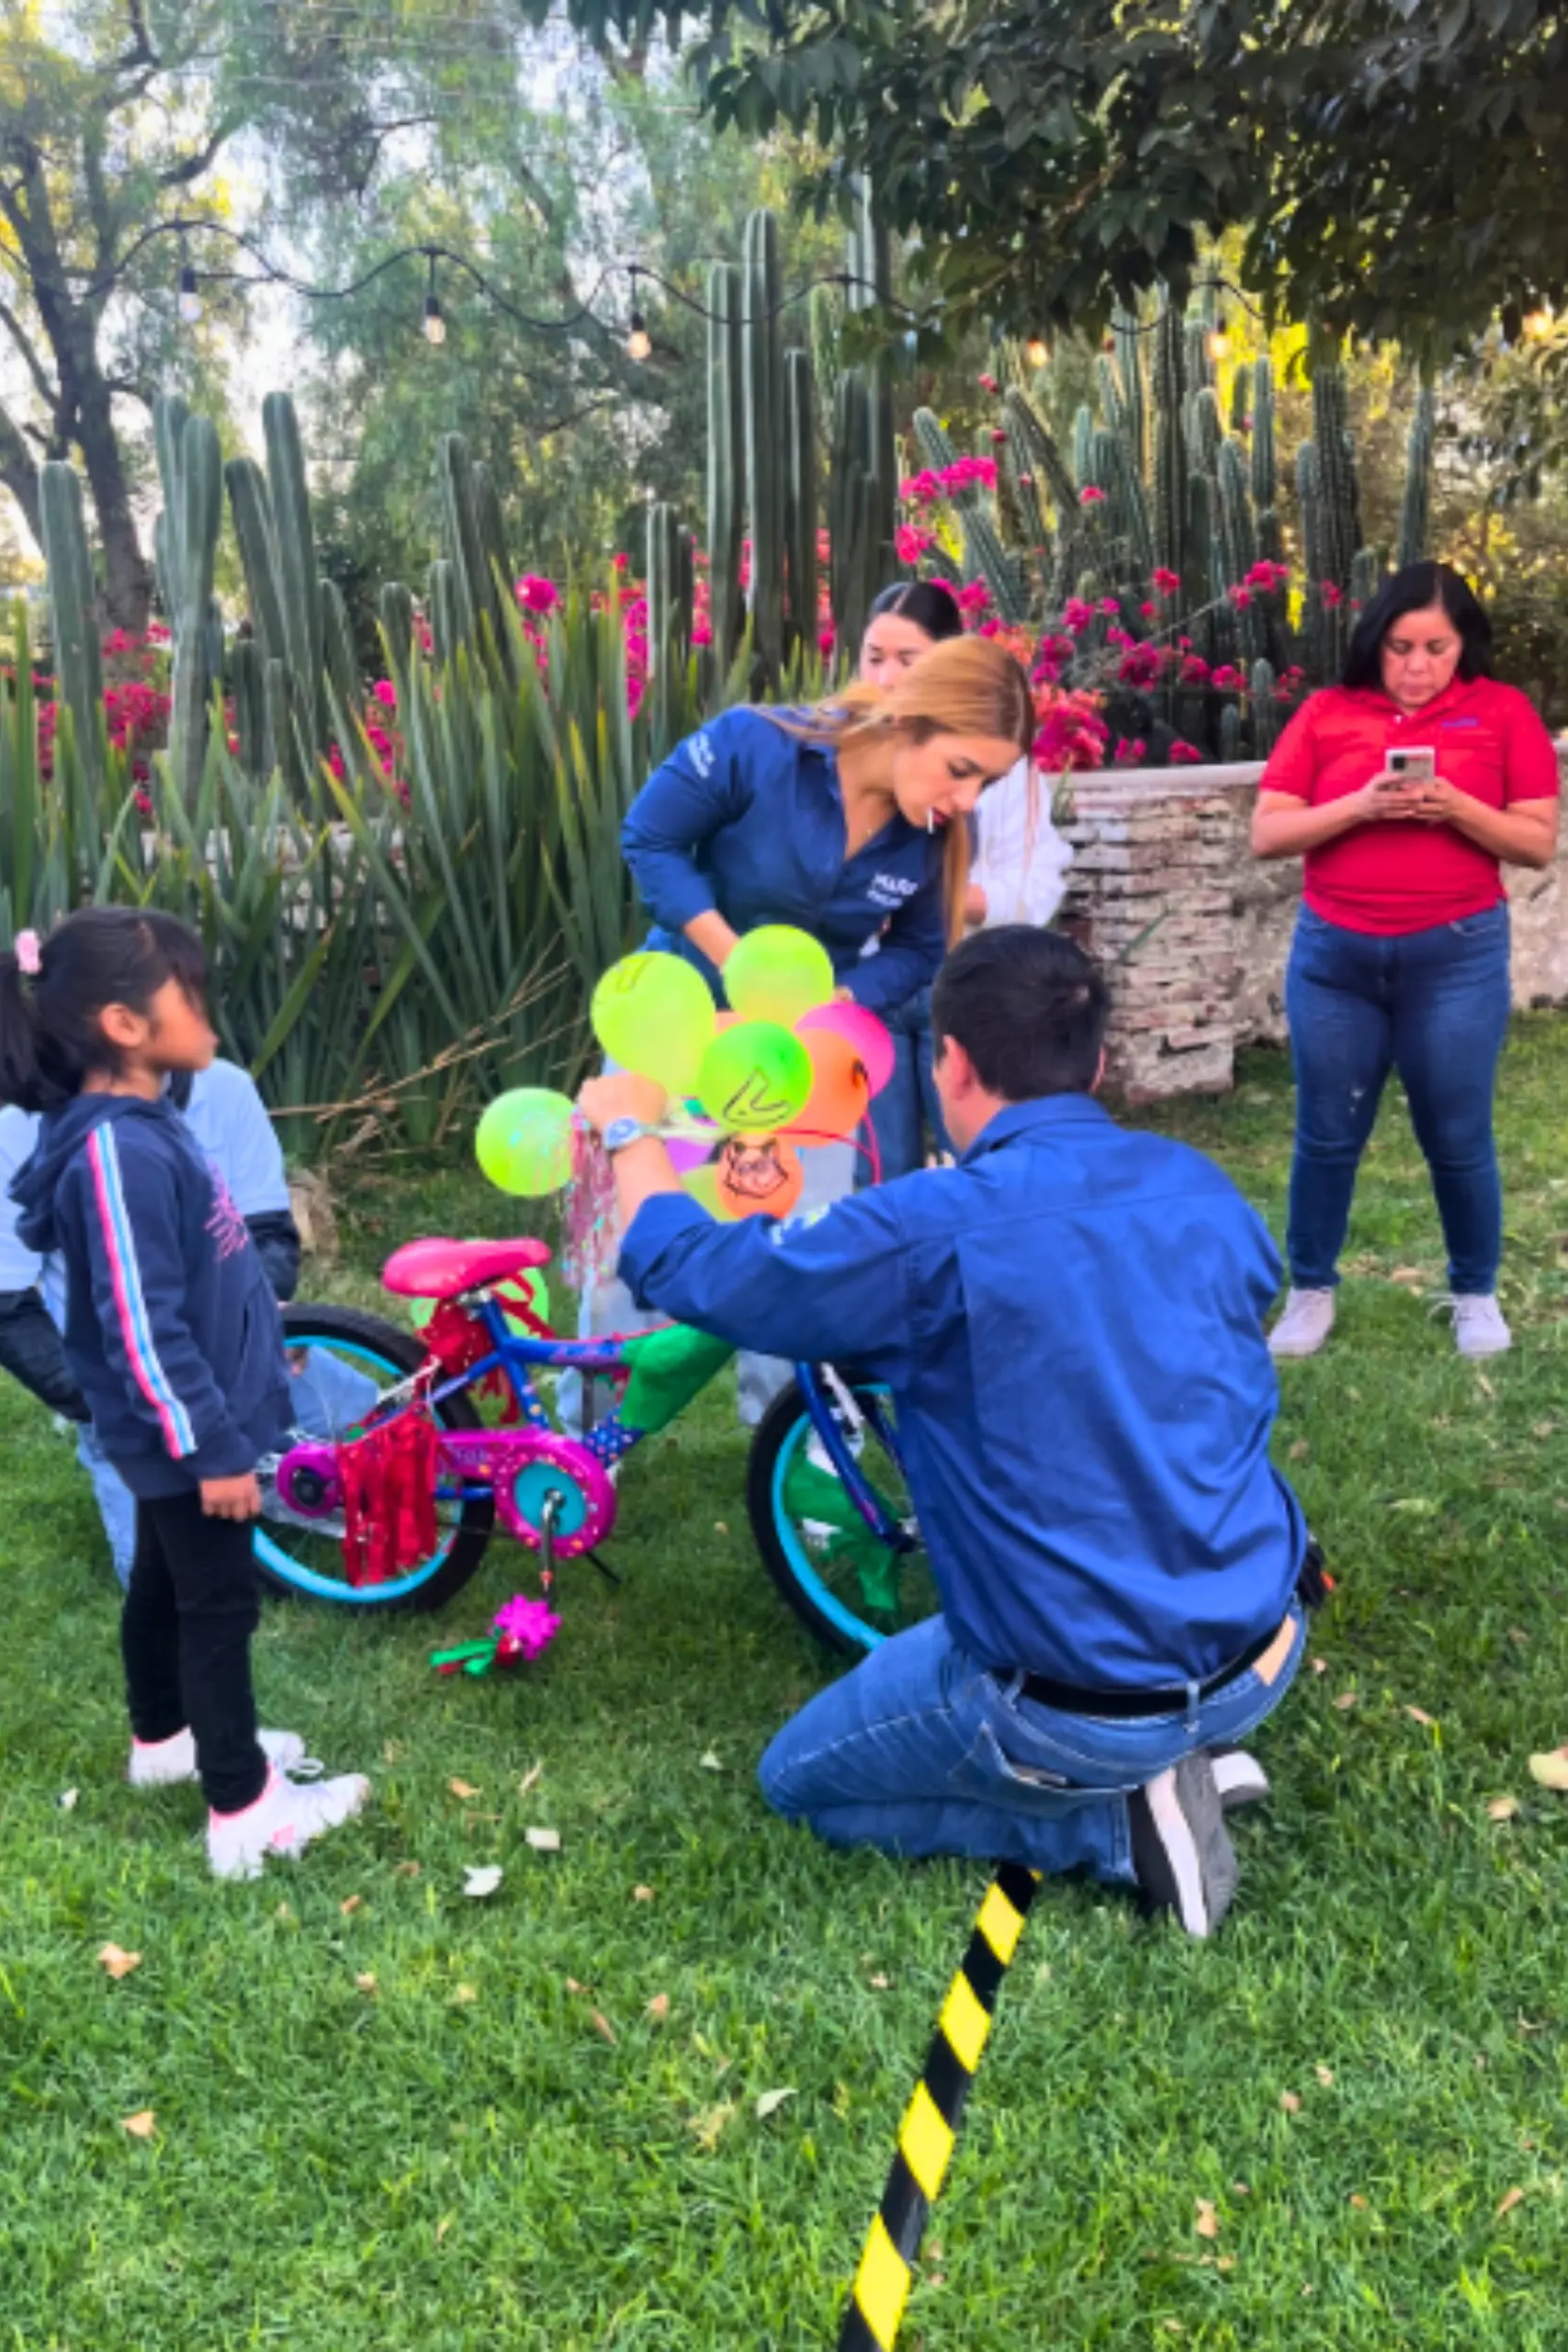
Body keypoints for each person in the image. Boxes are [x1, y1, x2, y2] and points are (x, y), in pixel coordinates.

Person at [578, 926, 1311, 1938]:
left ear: (951, 1062)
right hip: (1263, 1645)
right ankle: (1178, 1747)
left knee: (798, 1781)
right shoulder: (1201, 1184)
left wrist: (629, 1130)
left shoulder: (928, 1228)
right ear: (1095, 1061)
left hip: (1073, 1702)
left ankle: (1116, 1825)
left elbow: (690, 1269)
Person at [570, 633, 1034, 1428]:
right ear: (907, 718)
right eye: (963, 770)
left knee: (802, 1253)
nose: (967, 800)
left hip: (805, 1057)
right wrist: (737, 965)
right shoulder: (754, 743)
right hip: (672, 1024)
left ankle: (793, 1445)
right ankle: (581, 1435)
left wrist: (830, 1002)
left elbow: (922, 949)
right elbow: (649, 837)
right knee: (628, 1239)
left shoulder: (932, 835)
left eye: (984, 782)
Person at [0, 909, 368, 1879]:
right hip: (177, 1433)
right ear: (125, 1024)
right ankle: (244, 1806)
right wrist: (210, 1452)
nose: (209, 1008)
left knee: (162, 1584)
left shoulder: (148, 1126)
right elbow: (138, 1324)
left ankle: (163, 1741)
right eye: (190, 991)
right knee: (218, 1601)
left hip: (175, 1424)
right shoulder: (116, 1153)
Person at [1253, 561, 1561, 1361]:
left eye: (1435, 647)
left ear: (1464, 645)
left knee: (1457, 1134)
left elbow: (1534, 843)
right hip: (1334, 958)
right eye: (1397, 647)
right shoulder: (1326, 713)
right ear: (1374, 643)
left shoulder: (1501, 713)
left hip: (1453, 958)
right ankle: (1310, 1289)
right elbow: (1268, 833)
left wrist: (1454, 805)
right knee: (1325, 1132)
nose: (1416, 666)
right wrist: (1359, 805)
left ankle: (1473, 1293)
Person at [0, 1045, 302, 1589]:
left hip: (247, 1357)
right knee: (177, 1586)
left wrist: (264, 1327)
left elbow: (269, 1231)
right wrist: (105, 1404)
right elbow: (8, 1310)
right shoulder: (19, 1134)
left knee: (407, 1469)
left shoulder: (226, 1088)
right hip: (134, 1390)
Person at [853, 581, 1075, 1181]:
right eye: (874, 658)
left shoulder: (1000, 767)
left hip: (962, 990)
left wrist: (928, 902)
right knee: (879, 1171)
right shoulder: (843, 758)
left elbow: (1035, 885)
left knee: (979, 1164)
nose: (887, 678)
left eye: (908, 660)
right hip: (866, 994)